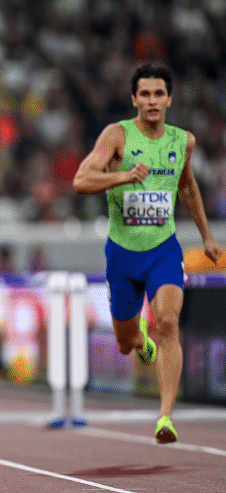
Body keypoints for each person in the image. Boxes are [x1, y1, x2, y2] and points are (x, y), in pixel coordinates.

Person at [73, 63, 222, 444]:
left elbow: (187, 189)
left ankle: (165, 417)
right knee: (125, 343)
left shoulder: (182, 141)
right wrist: (122, 175)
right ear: (135, 99)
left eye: (159, 94)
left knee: (169, 322)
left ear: (169, 99)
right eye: (146, 94)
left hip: (163, 249)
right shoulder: (117, 136)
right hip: (123, 254)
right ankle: (139, 338)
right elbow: (81, 179)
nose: (153, 101)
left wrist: (206, 237)